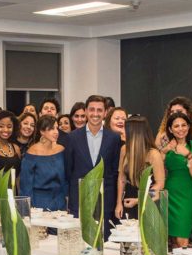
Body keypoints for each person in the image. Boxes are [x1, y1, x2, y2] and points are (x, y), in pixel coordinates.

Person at [64, 95, 121, 237]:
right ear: (86, 111)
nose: (95, 114)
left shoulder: (114, 138)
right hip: (80, 199)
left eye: (99, 110)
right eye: (92, 109)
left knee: (103, 241)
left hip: (105, 200)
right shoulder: (72, 137)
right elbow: (68, 170)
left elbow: (114, 171)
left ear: (105, 113)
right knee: (79, 240)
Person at [116, 115, 165, 220]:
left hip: (148, 201)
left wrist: (139, 200)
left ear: (134, 133)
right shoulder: (124, 149)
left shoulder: (154, 154)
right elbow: (121, 178)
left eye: (125, 129)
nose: (122, 132)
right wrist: (119, 203)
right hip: (128, 199)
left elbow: (160, 185)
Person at [162, 112, 192, 246]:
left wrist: (188, 155)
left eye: (184, 125)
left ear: (188, 127)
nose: (180, 129)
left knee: (182, 238)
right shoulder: (167, 148)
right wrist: (165, 150)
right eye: (176, 126)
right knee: (171, 239)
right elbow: (155, 168)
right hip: (169, 194)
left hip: (187, 195)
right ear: (170, 129)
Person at [19, 116, 67, 211]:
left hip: (60, 202)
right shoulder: (32, 153)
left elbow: (66, 179)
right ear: (42, 131)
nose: (56, 132)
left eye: (57, 128)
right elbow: (26, 186)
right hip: (39, 204)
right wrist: (27, 209)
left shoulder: (61, 150)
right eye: (51, 129)